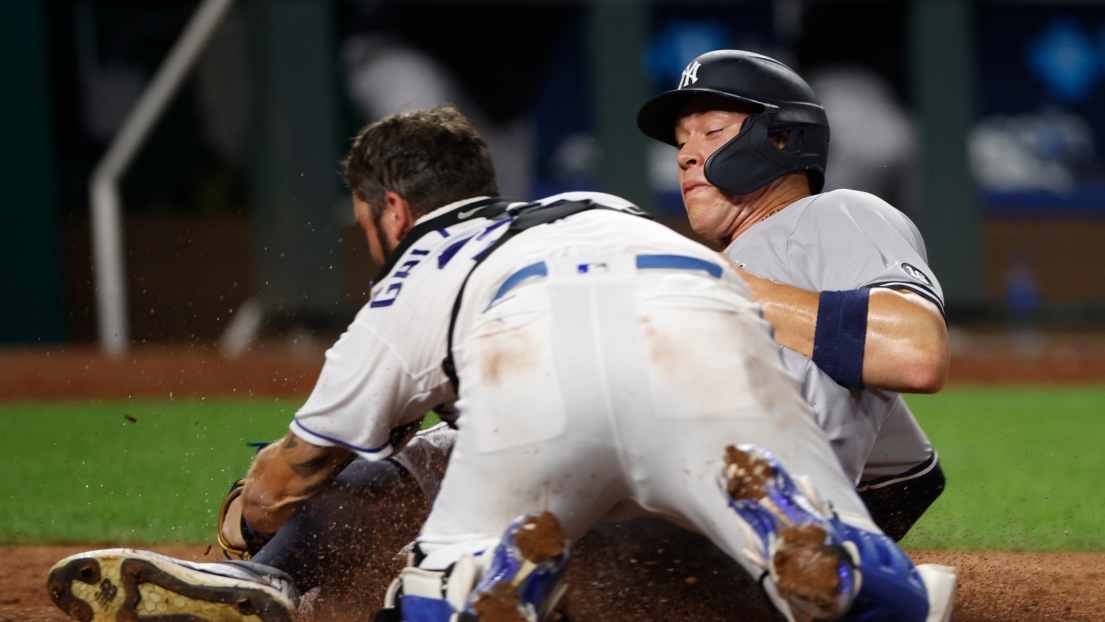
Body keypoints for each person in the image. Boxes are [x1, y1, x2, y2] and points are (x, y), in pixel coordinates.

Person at [47, 107, 953, 622]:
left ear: (391, 214)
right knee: (866, 594)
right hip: (711, 360)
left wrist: (244, 527)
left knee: (438, 543)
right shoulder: (597, 207)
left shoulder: (416, 277)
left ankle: (433, 582)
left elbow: (301, 464)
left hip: (537, 397)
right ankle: (871, 579)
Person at [637, 49, 950, 541]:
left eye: (713, 132)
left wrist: (727, 290)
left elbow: (916, 353)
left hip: (755, 524)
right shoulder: (721, 267)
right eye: (681, 140)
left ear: (781, 138)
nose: (685, 154)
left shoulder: (834, 216)